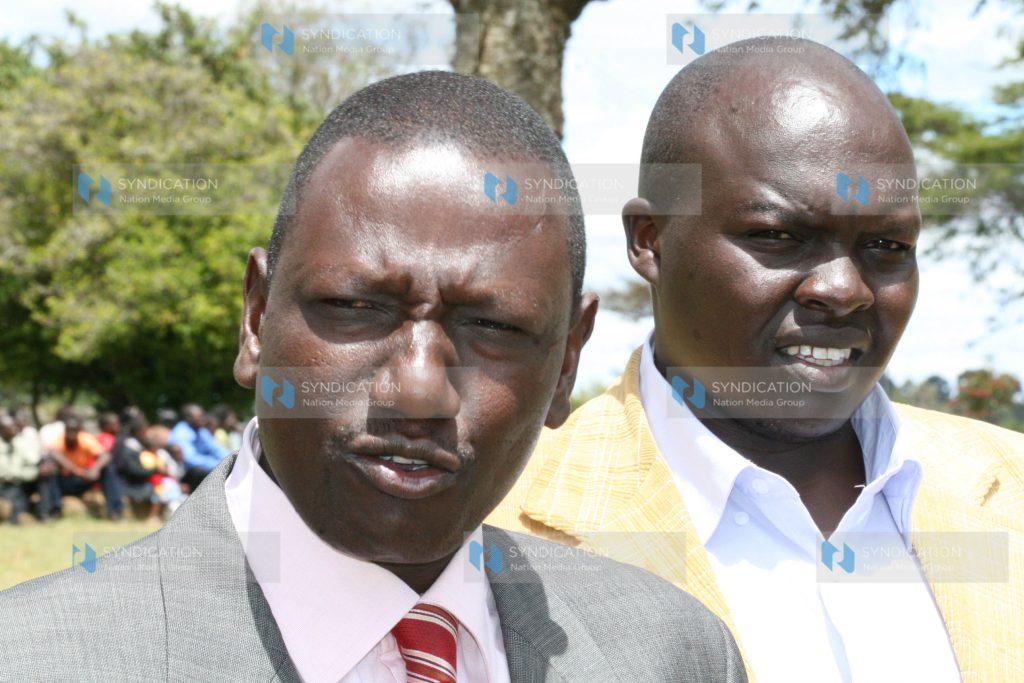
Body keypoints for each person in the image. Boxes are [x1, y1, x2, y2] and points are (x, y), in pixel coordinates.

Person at [0, 71, 746, 682]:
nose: (418, 392)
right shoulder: (35, 659)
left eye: (493, 327)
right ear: (257, 319)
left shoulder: (673, 653)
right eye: (356, 307)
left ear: (567, 362)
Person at [489, 37, 1024, 683]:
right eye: (777, 236)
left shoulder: (1008, 487)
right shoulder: (492, 523)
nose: (844, 288)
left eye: (886, 245)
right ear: (651, 240)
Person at [46, 415, 124, 520]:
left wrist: (95, 469)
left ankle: (115, 511)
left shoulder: (85, 439)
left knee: (109, 469)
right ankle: (55, 510)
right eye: (69, 431)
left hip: (84, 479)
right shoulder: (59, 441)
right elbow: (53, 454)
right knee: (51, 470)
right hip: (66, 481)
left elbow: (106, 455)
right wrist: (74, 470)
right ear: (65, 431)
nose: (71, 435)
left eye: (74, 432)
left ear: (79, 432)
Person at [169, 403, 229, 489]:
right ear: (188, 418)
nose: (203, 418)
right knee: (206, 473)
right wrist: (217, 465)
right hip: (186, 472)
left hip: (206, 467)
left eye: (203, 415)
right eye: (199, 416)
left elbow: (216, 449)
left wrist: (230, 460)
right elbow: (190, 460)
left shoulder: (201, 431)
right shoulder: (181, 433)